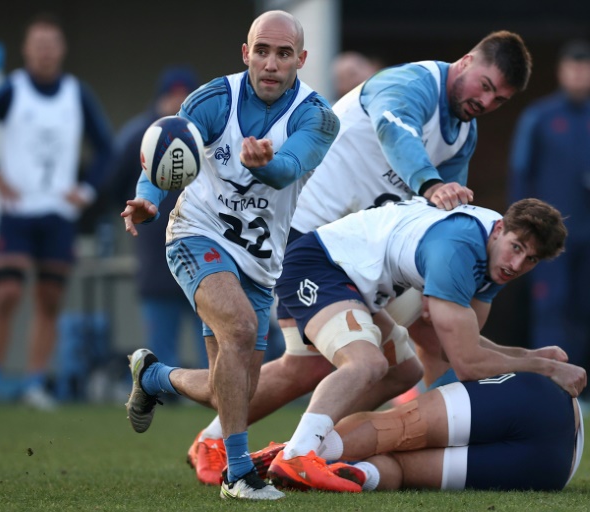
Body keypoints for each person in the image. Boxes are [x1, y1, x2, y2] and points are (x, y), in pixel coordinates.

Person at [188, 30, 535, 486]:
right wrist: (430, 185)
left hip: (357, 255)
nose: (487, 102)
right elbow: (398, 133)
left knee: (399, 368)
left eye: (500, 100)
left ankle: (293, 446)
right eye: (486, 86)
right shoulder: (409, 85)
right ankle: (240, 435)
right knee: (325, 363)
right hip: (301, 235)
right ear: (467, 61)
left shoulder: (462, 133)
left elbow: (448, 221)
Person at [121, 10, 339, 500]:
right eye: (261, 50)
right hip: (197, 236)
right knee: (240, 329)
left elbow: (287, 170)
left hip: (260, 264)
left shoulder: (318, 117)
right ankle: (239, 475)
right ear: (246, 53)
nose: (270, 63)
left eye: (283, 54)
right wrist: (148, 201)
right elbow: (165, 148)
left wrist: (266, 165)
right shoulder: (215, 99)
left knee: (232, 391)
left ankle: (154, 377)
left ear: (300, 60)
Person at [257, 197, 585, 489]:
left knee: (405, 371)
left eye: (531, 260)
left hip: (366, 283)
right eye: (517, 247)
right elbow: (467, 363)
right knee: (365, 364)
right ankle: (297, 454)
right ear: (499, 228)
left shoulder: (493, 260)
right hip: (322, 264)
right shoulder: (457, 249)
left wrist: (526, 354)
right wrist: (545, 366)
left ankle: (307, 445)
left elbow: (451, 344)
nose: (517, 265)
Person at [0, 13, 114, 410]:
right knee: (7, 292)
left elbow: (107, 148)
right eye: (37, 45)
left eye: (51, 45)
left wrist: (87, 189)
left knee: (49, 298)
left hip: (58, 214)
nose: (44, 52)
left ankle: (34, 382)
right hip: (18, 211)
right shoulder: (13, 90)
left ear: (61, 50)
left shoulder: (76, 94)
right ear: (27, 49)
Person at [255, 372, 584, 492]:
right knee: (403, 468)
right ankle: (356, 473)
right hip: (554, 471)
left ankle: (297, 452)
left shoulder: (450, 255)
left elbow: (468, 360)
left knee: (396, 427)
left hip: (540, 404)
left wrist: (543, 364)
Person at [104, 66, 208, 374]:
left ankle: (214, 394)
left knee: (212, 336)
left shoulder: (207, 134)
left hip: (205, 251)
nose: (176, 102)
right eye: (171, 96)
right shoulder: (140, 135)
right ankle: (164, 394)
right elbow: (111, 182)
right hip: (157, 253)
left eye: (183, 96)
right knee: (162, 342)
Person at [509, 39, 590, 404]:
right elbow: (521, 173)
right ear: (561, 71)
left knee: (582, 308)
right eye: (573, 67)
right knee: (550, 306)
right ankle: (547, 387)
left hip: (589, 236)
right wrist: (523, 231)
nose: (578, 74)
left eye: (584, 67)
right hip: (550, 238)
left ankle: (580, 390)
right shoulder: (540, 117)